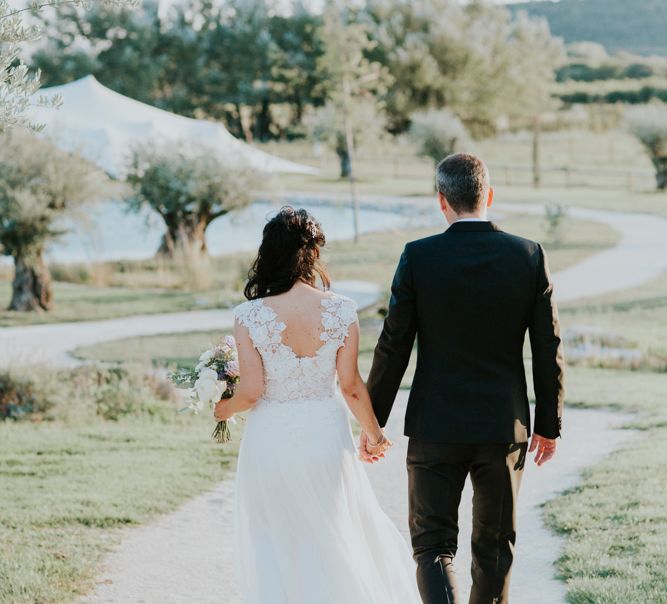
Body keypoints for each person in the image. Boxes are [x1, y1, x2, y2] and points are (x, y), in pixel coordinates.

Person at [363, 152, 565, 604]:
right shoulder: (528, 255)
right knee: (494, 549)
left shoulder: (419, 256)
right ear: (488, 195)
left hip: (435, 427)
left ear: (442, 201)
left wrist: (372, 424)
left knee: (432, 547)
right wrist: (548, 424)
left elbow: (393, 345)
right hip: (502, 427)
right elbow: (548, 348)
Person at [213, 207, 421, 604]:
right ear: (312, 253)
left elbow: (253, 391)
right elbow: (351, 386)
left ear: (269, 253)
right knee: (333, 526)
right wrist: (374, 435)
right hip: (325, 433)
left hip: (271, 437)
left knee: (278, 536)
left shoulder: (249, 315)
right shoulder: (341, 309)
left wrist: (224, 409)